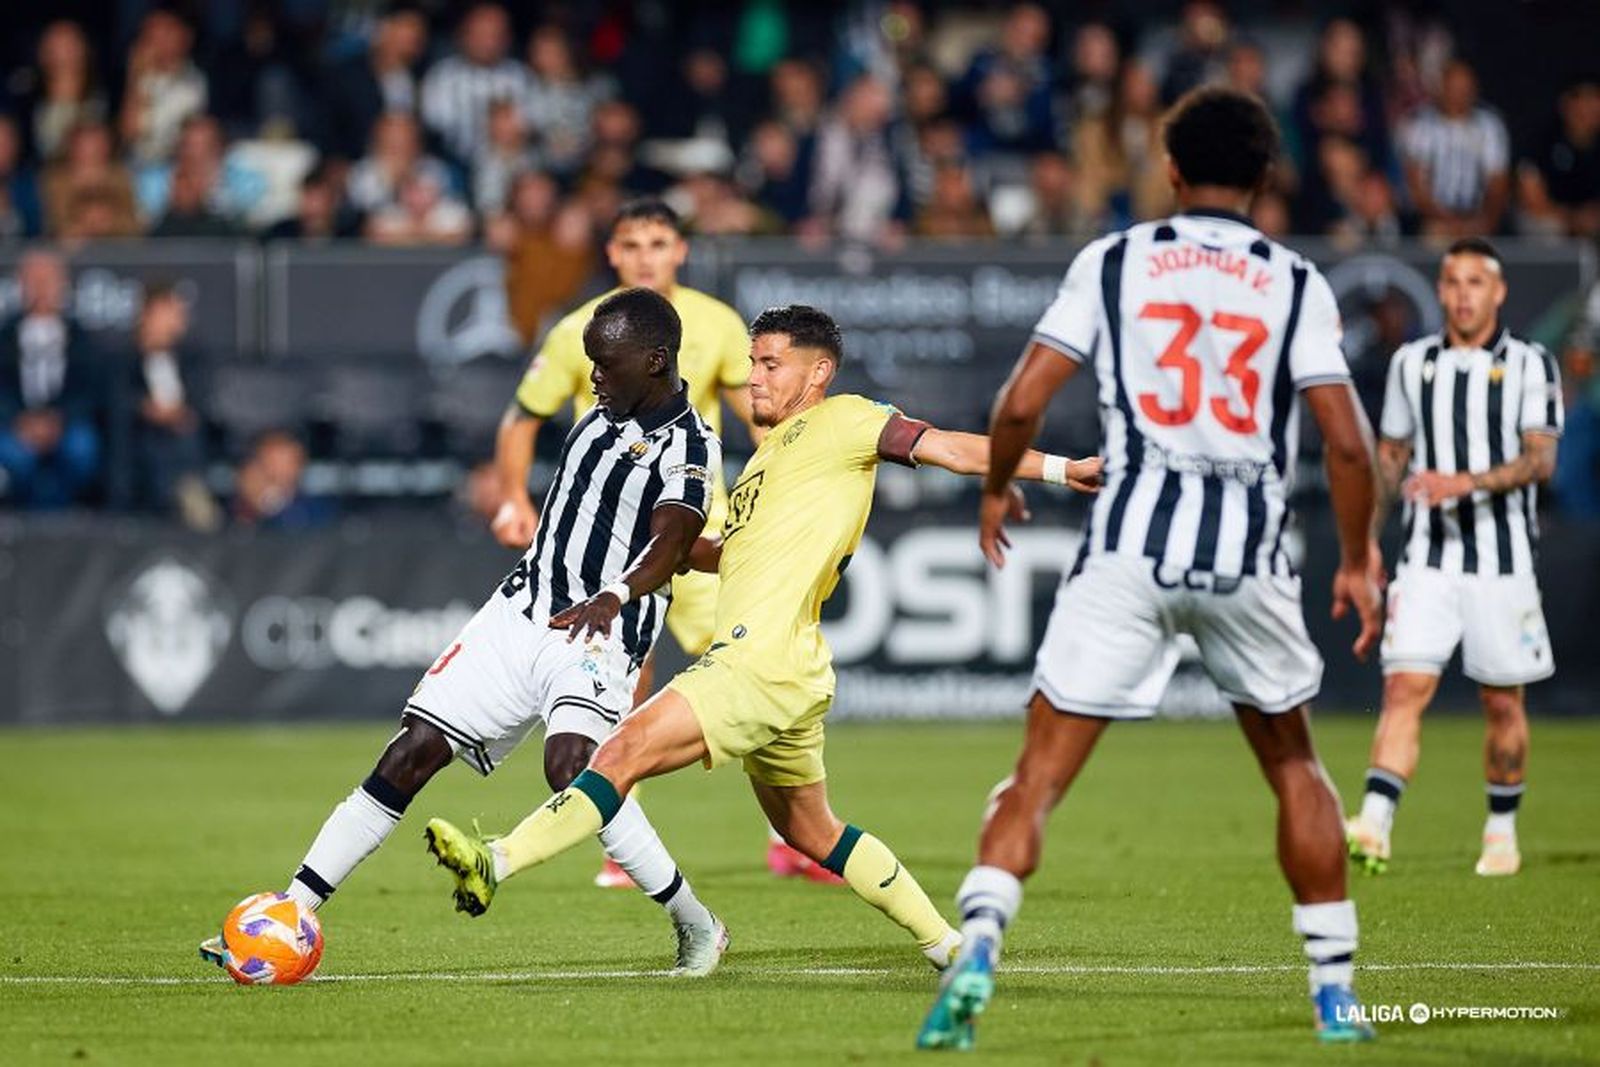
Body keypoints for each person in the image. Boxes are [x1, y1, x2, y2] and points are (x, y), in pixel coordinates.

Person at [422, 303, 1104, 973]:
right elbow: (732, 552)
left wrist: (1058, 468)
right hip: (789, 669)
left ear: (818, 373)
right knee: (814, 831)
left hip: (756, 664)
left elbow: (951, 447)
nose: (753, 377)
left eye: (772, 363)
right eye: (752, 362)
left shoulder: (846, 420)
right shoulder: (768, 458)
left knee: (621, 749)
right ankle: (946, 945)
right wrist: (675, 546)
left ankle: (496, 860)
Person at [916, 86, 1383, 1050]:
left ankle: (981, 945)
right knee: (1296, 763)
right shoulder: (1295, 279)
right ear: (1264, 177)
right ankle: (1335, 990)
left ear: (1169, 170)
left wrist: (999, 488)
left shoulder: (1115, 261)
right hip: (1247, 552)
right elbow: (1346, 444)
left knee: (1035, 778)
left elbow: (1018, 403)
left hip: (1128, 545)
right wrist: (1364, 556)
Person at [201, 289, 728, 976]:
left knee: (574, 766)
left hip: (602, 631)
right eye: (590, 362)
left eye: (606, 363)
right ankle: (292, 911)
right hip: (520, 612)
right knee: (409, 751)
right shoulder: (602, 415)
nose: (594, 376)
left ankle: (696, 924)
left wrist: (617, 590)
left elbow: (676, 534)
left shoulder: (691, 444)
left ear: (655, 361)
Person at [494, 197, 806, 885]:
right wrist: (513, 494)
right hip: (612, 536)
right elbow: (523, 417)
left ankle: (796, 834)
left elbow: (758, 417)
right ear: (612, 253)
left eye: (658, 243)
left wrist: (788, 480)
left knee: (764, 666)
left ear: (680, 250)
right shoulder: (584, 327)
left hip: (704, 528)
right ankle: (617, 839)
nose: (645, 256)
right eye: (631, 245)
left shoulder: (720, 324)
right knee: (619, 682)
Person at [1345, 238, 1561, 880]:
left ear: (1497, 293)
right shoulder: (1413, 364)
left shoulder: (1530, 364)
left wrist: (1459, 483)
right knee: (1404, 686)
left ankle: (1500, 833)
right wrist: (1364, 544)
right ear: (1439, 291)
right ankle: (1375, 825)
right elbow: (1390, 460)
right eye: (1452, 281)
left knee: (1502, 702)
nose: (1463, 293)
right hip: (1427, 559)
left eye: (1476, 282)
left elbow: (1539, 460)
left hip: (1503, 562)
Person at [0, 248, 103, 508]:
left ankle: (61, 519)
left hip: (65, 423)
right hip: (15, 424)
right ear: (20, 286)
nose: (41, 289)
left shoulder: (81, 337)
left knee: (81, 449)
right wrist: (21, 420)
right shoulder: (4, 336)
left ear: (63, 285)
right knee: (13, 456)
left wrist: (57, 420)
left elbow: (88, 389)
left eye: (48, 281)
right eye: (33, 281)